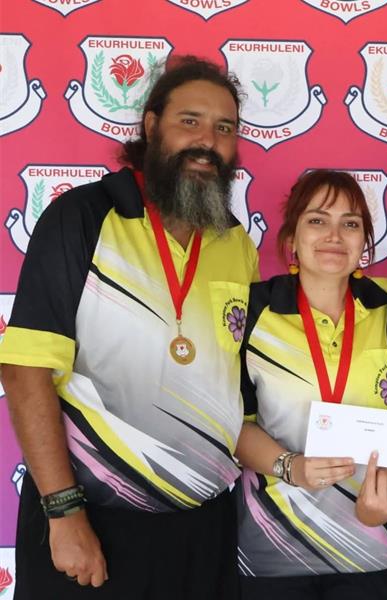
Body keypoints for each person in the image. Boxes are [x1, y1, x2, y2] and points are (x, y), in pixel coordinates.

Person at [0, 56, 258, 599]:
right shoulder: (83, 217)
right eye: (190, 121)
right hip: (93, 522)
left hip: (202, 530)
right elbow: (26, 371)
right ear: (150, 127)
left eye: (224, 128)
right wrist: (63, 513)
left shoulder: (237, 243)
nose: (207, 140)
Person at [233, 169, 387, 600]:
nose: (334, 235)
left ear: (365, 242)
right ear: (292, 236)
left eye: (351, 223)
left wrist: (386, 495)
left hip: (367, 543)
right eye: (317, 220)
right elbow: (230, 424)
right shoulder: (252, 311)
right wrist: (291, 466)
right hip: (272, 544)